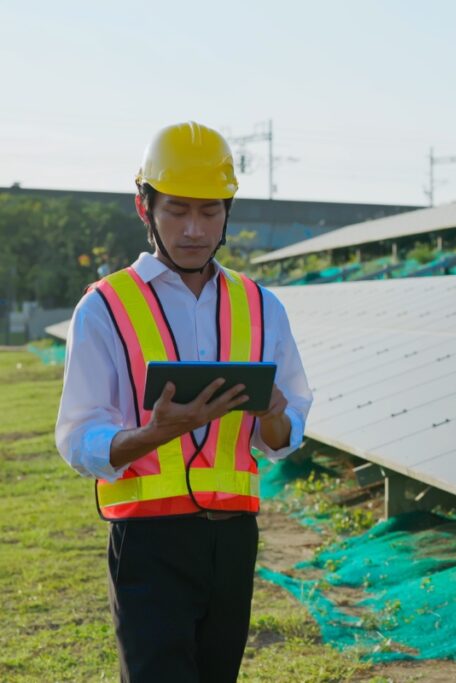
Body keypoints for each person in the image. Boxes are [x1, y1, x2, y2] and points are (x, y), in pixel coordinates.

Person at [55, 121, 312, 682]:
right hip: (149, 542)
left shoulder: (262, 306)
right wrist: (153, 433)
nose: (194, 229)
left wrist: (271, 414)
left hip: (233, 541)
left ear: (228, 212)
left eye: (209, 211)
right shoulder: (104, 308)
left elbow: (284, 436)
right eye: (176, 210)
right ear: (144, 207)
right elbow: (76, 437)